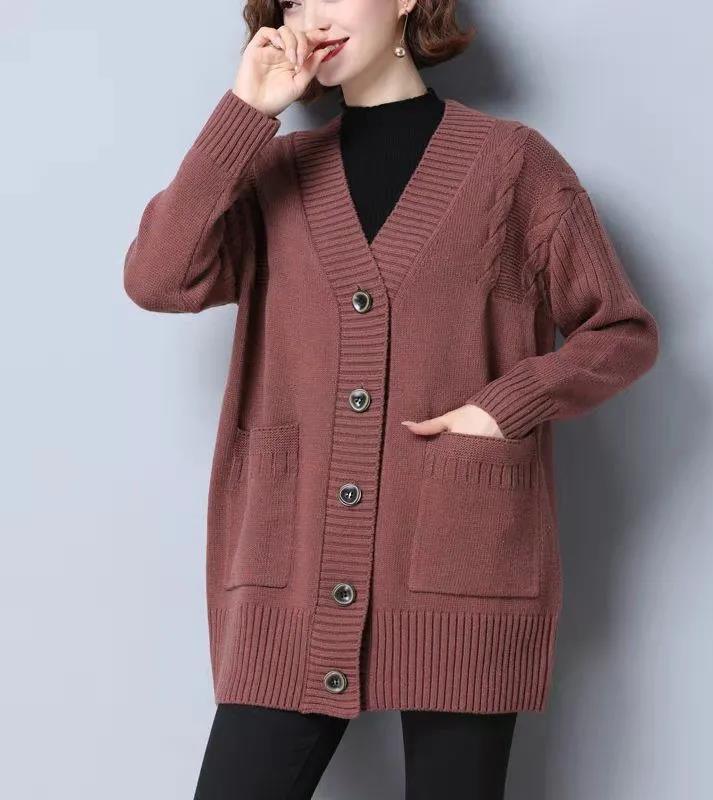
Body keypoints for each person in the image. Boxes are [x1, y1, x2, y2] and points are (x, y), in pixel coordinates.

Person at [123, 1, 660, 798]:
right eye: (293, 0)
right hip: (289, 572)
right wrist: (245, 113)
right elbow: (157, 277)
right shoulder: (274, 173)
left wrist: (506, 405)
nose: (313, 14)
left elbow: (619, 330)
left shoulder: (514, 167)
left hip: (461, 566)